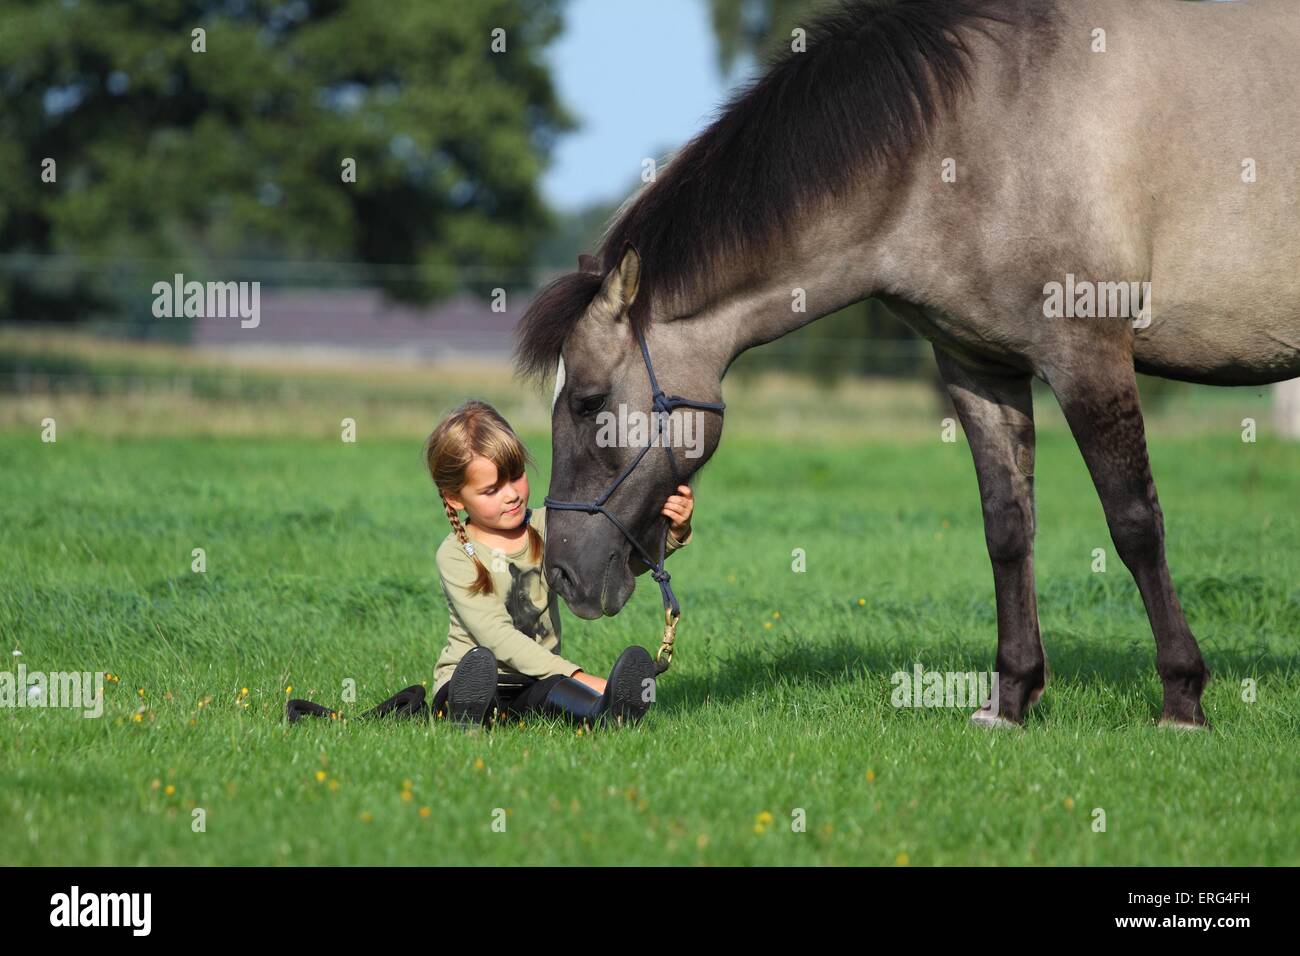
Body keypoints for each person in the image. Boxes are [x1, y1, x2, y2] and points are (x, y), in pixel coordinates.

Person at [425, 398, 694, 727]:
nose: (510, 494)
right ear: (455, 498)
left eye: (516, 476)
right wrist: (580, 677)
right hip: (469, 677)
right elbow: (496, 636)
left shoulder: (549, 527)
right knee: (478, 686)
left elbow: (608, 569)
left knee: (554, 693)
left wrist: (672, 533)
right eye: (492, 489)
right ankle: (468, 712)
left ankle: (605, 714)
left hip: (536, 679)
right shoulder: (455, 554)